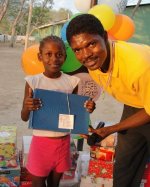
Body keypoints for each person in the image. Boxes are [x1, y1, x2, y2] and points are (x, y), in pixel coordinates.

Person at [66, 14, 150, 187]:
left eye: (91, 44)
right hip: (137, 103)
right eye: (78, 49)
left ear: (105, 37)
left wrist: (111, 129)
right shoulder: (92, 62)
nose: (86, 55)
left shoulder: (139, 66)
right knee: (125, 162)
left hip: (147, 104)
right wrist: (82, 118)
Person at [21, 35, 95, 187]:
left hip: (63, 144)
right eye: (48, 54)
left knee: (55, 184)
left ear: (65, 57)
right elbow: (23, 117)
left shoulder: (72, 82)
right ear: (39, 56)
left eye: (59, 54)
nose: (54, 59)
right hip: (41, 146)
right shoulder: (33, 82)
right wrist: (28, 107)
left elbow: (75, 114)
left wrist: (88, 109)